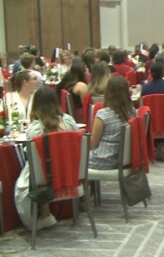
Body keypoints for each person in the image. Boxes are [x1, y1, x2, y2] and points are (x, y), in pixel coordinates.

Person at [14, 86, 79, 230]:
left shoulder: (35, 129)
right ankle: (47, 214)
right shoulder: (69, 122)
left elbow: (32, 156)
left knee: (29, 171)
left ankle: (42, 217)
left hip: (45, 176)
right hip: (70, 173)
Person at [90, 76, 136, 170]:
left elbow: (93, 143)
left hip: (104, 160)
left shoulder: (103, 115)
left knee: (76, 157)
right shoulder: (133, 112)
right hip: (124, 159)